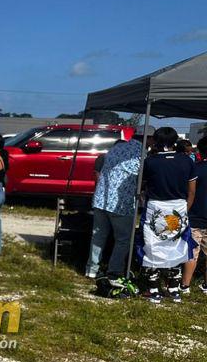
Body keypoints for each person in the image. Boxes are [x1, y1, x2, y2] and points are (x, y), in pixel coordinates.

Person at [140, 126, 197, 304]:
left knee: (152, 244)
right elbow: (192, 191)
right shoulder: (187, 161)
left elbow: (142, 187)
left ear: (156, 140)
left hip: (156, 206)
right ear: (175, 141)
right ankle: (173, 288)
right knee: (176, 244)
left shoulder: (150, 161)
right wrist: (185, 208)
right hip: (178, 206)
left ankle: (154, 288)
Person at [86, 138, 142, 281]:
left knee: (98, 236)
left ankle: (92, 270)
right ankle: (114, 271)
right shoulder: (140, 153)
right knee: (123, 239)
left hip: (101, 200)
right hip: (121, 204)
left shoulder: (113, 151)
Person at [182, 136, 207, 293]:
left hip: (195, 215)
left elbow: (189, 191)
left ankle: (185, 285)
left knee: (192, 252)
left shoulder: (195, 168)